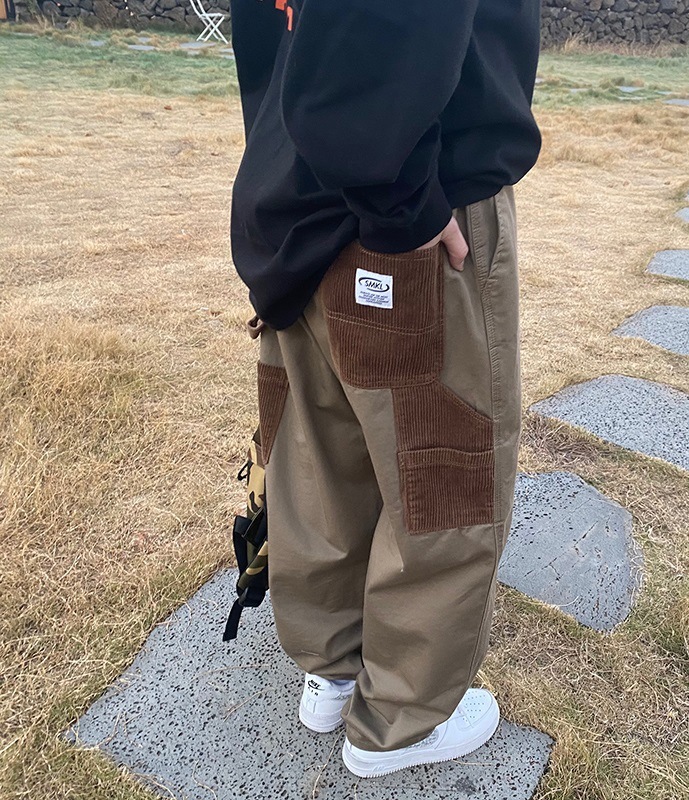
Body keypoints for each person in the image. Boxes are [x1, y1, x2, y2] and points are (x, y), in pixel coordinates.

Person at [229, 0, 541, 779]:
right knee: (442, 475)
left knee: (317, 456)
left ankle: (331, 670)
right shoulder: (401, 187)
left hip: (293, 197)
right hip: (413, 193)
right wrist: (401, 196)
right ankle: (400, 720)